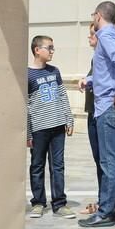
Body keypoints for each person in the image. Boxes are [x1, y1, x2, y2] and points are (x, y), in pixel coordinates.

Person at [78, 1, 115, 228]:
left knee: (107, 160)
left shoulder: (106, 37)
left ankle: (105, 212)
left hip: (108, 107)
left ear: (99, 15)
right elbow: (108, 71)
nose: (93, 17)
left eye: (93, 14)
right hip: (108, 105)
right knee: (112, 158)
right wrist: (90, 80)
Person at [27, 35, 76, 219]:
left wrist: (69, 119)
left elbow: (62, 96)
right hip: (39, 128)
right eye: (49, 48)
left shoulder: (55, 71)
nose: (52, 51)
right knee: (37, 165)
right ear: (37, 50)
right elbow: (25, 105)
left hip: (58, 126)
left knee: (58, 166)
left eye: (53, 48)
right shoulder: (27, 75)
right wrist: (28, 132)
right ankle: (38, 202)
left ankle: (60, 204)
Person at [79, 22, 102, 216]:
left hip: (99, 114)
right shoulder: (96, 58)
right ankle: (106, 199)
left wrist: (88, 81)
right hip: (93, 112)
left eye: (91, 35)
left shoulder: (102, 58)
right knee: (101, 160)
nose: (89, 38)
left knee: (105, 160)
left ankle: (108, 202)